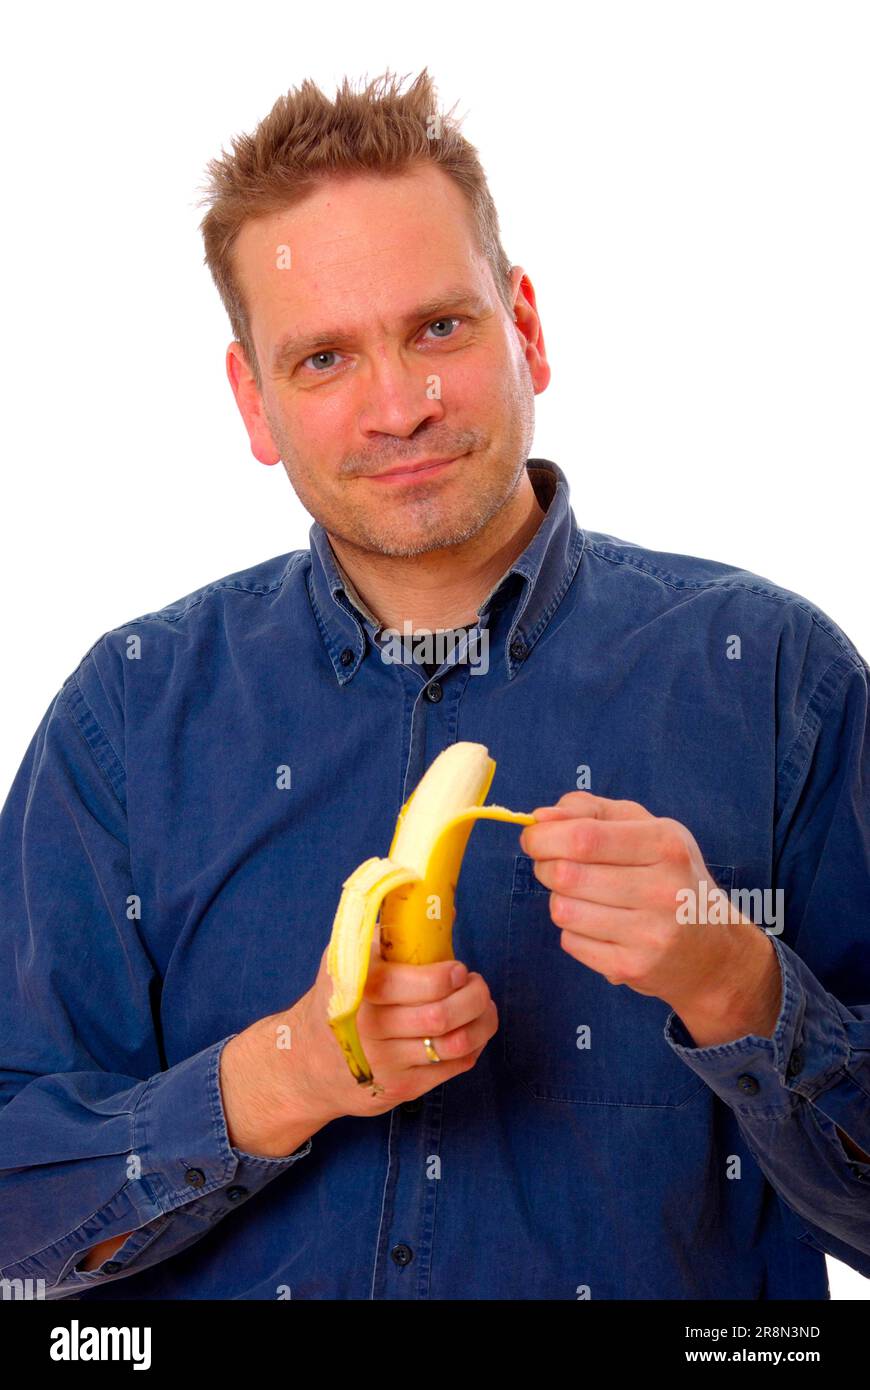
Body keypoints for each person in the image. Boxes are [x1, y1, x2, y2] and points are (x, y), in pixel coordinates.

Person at [1, 68, 868, 1302]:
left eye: (440, 329)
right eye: (323, 359)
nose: (399, 407)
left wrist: (742, 987)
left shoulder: (779, 683)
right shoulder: (128, 716)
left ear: (529, 327)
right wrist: (277, 1081)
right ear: (254, 400)